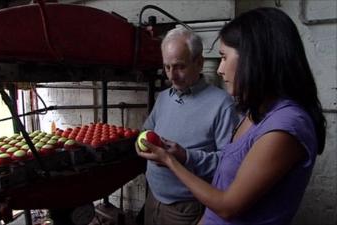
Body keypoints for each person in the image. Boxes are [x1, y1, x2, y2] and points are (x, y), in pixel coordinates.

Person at [136, 7, 327, 225]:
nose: (219, 69)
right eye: (167, 67)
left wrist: (171, 160)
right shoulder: (255, 112)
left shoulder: (285, 126)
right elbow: (220, 193)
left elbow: (228, 206)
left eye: (224, 57)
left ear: (254, 59)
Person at [139, 27, 240, 225]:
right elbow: (146, 130)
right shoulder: (164, 98)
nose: (171, 76)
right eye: (167, 67)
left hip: (186, 208)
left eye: (179, 66)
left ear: (199, 63)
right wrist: (141, 143)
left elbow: (227, 165)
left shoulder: (222, 104)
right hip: (153, 198)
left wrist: (185, 156)